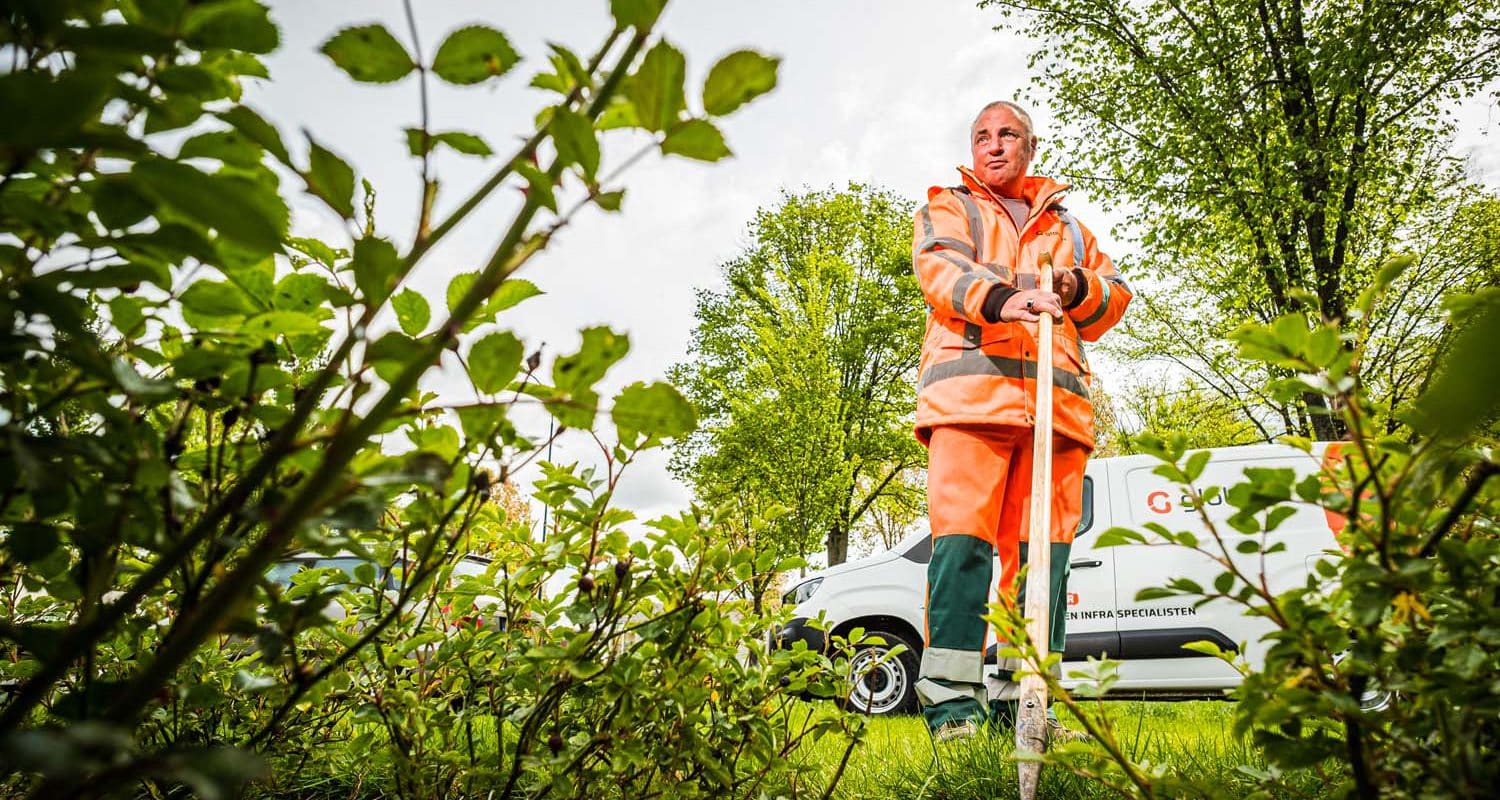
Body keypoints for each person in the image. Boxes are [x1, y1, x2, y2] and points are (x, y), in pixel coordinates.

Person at [910, 100, 1131, 741]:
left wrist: (1072, 286)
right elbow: (941, 270)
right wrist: (1009, 299)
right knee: (963, 551)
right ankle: (953, 708)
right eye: (982, 136)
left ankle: (1026, 706)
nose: (994, 145)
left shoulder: (1070, 229)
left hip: (1056, 416)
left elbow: (1112, 297)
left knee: (1043, 565)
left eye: (1008, 134)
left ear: (1030, 148)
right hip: (972, 402)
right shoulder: (950, 206)